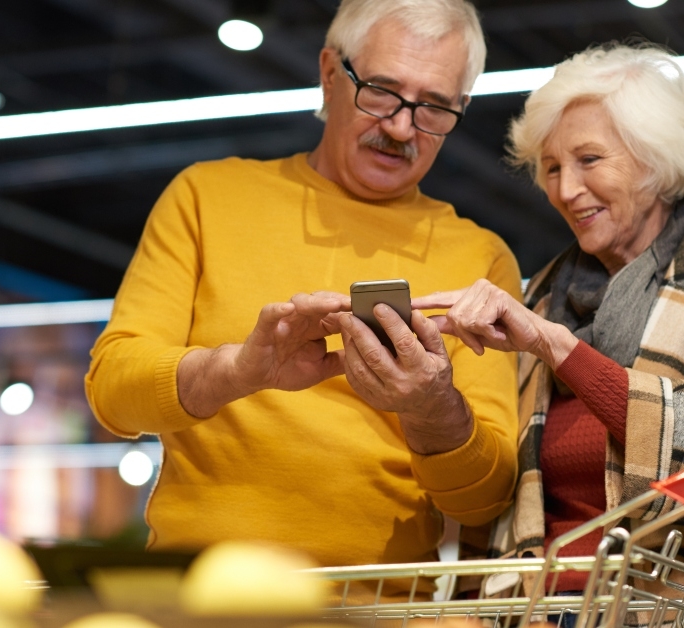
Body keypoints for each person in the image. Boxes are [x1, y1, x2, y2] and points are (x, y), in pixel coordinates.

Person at [85, 0, 521, 579]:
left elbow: (483, 501)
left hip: (374, 610)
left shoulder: (480, 258)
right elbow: (113, 393)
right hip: (198, 599)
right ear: (328, 73)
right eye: (382, 92)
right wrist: (238, 370)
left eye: (434, 107)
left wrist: (430, 405)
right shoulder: (207, 198)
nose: (400, 127)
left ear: (461, 108)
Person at [415, 43, 684, 611]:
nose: (564, 189)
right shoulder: (539, 294)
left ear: (656, 161)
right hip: (538, 613)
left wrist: (560, 349)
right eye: (552, 167)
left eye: (588, 160)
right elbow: (504, 498)